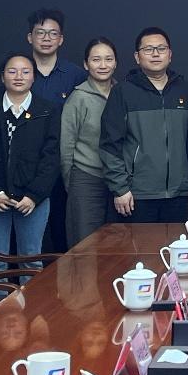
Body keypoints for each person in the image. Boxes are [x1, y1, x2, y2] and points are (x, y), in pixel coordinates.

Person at [0, 51, 60, 263]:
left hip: (33, 199)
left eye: (25, 72)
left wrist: (34, 195)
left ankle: (34, 290)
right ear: (2, 76)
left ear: (34, 77)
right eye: (12, 71)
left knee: (31, 258)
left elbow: (52, 157)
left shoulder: (47, 111)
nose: (19, 77)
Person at [100, 27, 188, 223]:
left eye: (161, 48)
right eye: (148, 49)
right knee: (139, 244)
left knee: (176, 243)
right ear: (137, 57)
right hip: (136, 195)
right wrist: (120, 188)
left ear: (170, 55)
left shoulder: (186, 91)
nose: (155, 54)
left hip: (179, 194)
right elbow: (109, 145)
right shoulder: (123, 92)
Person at [26, 9, 87, 253]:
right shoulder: (19, 72)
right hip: (28, 165)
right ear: (30, 37)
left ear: (61, 39)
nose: (46, 38)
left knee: (63, 232)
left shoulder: (76, 75)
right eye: (40, 33)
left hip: (63, 164)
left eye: (53, 33)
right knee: (28, 238)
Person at [60, 38, 117, 247]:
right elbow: (66, 145)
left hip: (118, 181)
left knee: (115, 244)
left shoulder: (123, 93)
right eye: (96, 59)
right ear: (86, 64)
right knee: (85, 244)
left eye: (108, 59)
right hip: (86, 178)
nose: (103, 65)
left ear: (116, 63)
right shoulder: (78, 98)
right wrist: (72, 181)